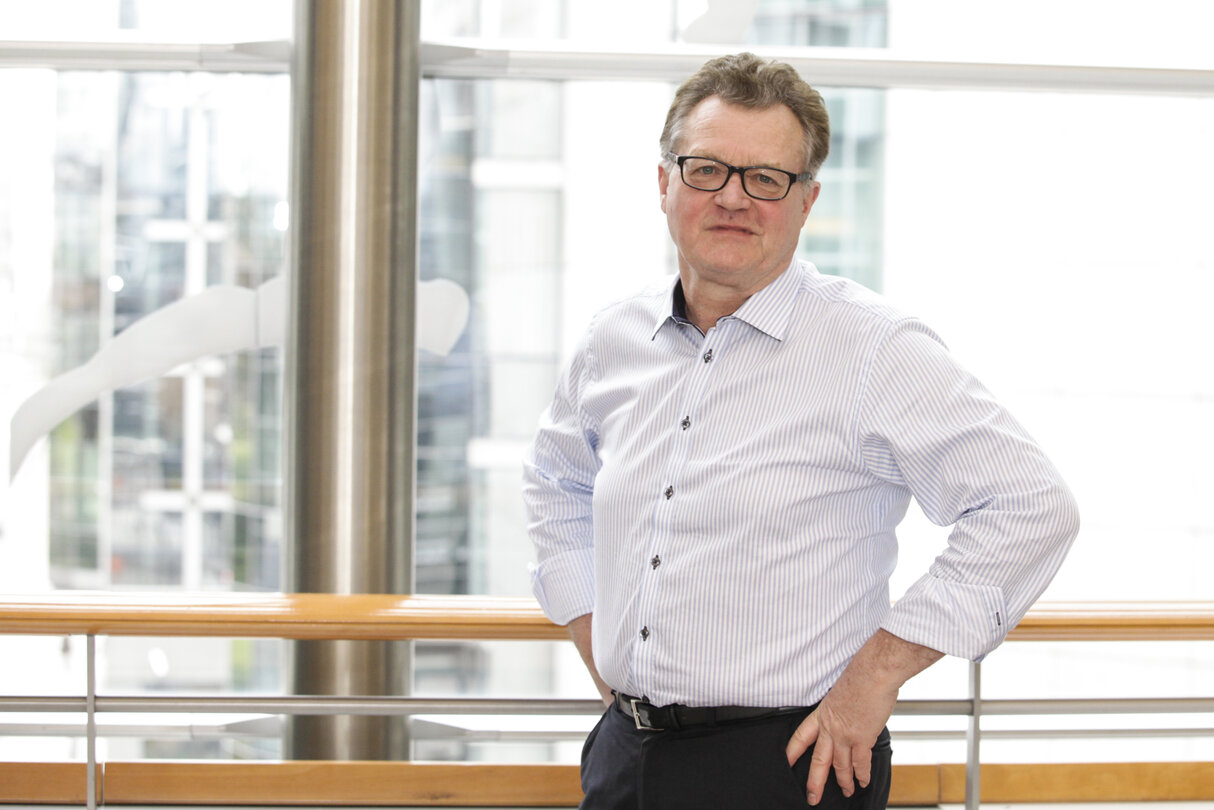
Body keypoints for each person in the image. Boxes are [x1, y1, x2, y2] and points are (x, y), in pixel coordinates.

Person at [523, 52, 1079, 809]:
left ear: (807, 199)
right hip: (626, 755)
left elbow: (1030, 507)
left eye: (766, 178)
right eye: (707, 169)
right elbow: (557, 487)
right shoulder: (611, 339)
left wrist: (876, 676)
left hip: (793, 762)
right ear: (663, 183)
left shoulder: (875, 349)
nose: (734, 198)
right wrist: (596, 636)